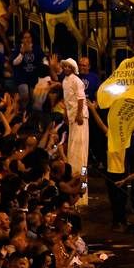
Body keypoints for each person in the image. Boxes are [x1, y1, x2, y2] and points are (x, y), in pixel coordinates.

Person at [60, 58, 89, 189]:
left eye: (68, 67)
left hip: (79, 118)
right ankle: (73, 181)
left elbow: (81, 98)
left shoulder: (77, 81)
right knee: (72, 151)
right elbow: (66, 101)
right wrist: (66, 114)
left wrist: (79, 114)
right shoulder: (64, 81)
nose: (65, 68)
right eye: (64, 66)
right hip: (72, 119)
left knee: (80, 152)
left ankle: (82, 186)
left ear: (72, 68)